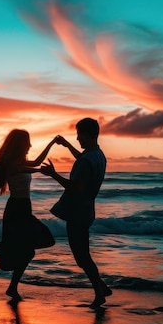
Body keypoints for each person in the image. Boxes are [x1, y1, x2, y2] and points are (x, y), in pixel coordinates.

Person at [40, 118, 112, 307]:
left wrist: (53, 174)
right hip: (87, 210)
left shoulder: (87, 159)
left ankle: (100, 293)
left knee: (82, 257)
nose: (78, 138)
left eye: (79, 134)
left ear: (88, 134)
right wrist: (66, 145)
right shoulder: (98, 155)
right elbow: (82, 159)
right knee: (83, 254)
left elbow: (74, 187)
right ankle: (101, 287)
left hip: (77, 212)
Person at [0, 129, 56, 302]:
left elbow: (38, 162)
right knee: (27, 251)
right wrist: (41, 171)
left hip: (25, 208)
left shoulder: (20, 161)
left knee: (38, 244)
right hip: (16, 209)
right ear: (20, 144)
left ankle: (12, 287)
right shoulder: (11, 164)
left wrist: (52, 143)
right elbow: (32, 169)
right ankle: (1, 250)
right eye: (27, 142)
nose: (30, 145)